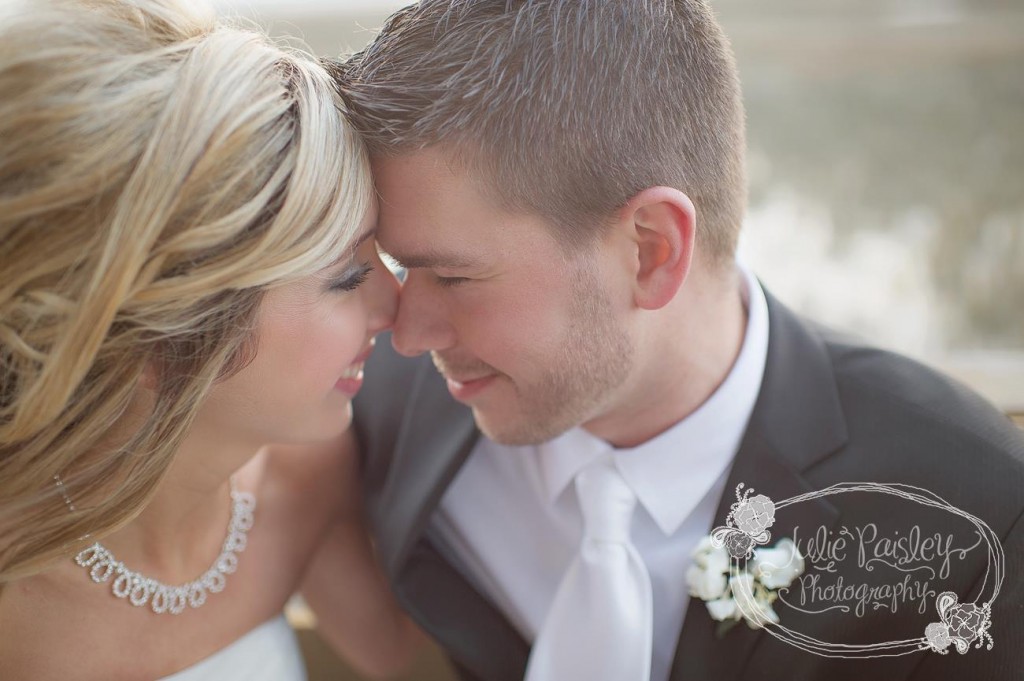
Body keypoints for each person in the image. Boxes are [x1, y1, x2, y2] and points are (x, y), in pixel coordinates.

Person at [334, 2, 1024, 680]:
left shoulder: (982, 516)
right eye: (401, 268)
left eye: (452, 276)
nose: (407, 332)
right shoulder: (373, 408)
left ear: (651, 250)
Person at [0, 1, 420, 678]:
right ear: (164, 337)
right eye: (347, 277)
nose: (395, 305)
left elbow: (412, 668)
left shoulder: (308, 478)